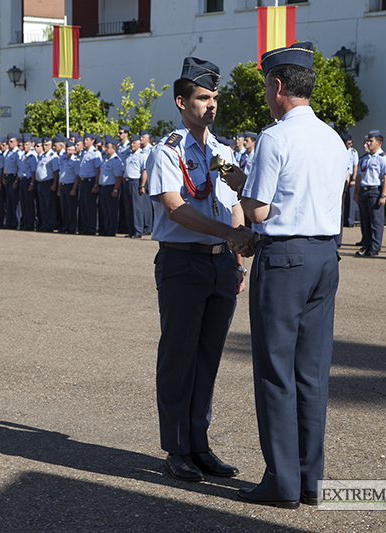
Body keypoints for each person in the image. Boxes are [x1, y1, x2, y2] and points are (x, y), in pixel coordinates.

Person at [228, 41, 344, 510]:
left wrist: (242, 184)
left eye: (265, 85)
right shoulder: (334, 137)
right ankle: (310, 479)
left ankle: (282, 482)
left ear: (278, 86)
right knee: (312, 374)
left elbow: (256, 210)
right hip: (325, 256)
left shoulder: (275, 137)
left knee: (276, 374)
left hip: (285, 259)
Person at [146, 56, 250, 484]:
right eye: (203, 97)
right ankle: (176, 449)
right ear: (181, 101)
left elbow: (241, 197)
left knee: (207, 359)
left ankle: (199, 444)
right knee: (179, 357)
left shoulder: (222, 151)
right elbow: (177, 209)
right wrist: (231, 233)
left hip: (221, 264)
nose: (211, 105)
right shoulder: (166, 150)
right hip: (183, 263)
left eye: (215, 98)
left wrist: (238, 257)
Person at [353, 130, 386, 257]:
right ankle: (365, 245)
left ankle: (374, 247)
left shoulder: (383, 158)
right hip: (364, 191)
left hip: (375, 191)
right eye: (367, 141)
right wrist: (356, 193)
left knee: (376, 221)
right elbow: (359, 177)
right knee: (365, 221)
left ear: (379, 143)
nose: (368, 143)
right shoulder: (364, 158)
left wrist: (383, 195)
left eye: (371, 141)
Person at [77, 133, 102, 235]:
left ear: (92, 141)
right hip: (83, 181)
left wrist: (96, 185)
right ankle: (85, 227)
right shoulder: (83, 153)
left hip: (90, 181)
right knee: (83, 206)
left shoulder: (95, 153)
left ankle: (92, 228)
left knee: (90, 206)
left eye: (87, 140)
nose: (85, 141)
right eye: (84, 139)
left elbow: (98, 170)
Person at [122, 134, 145, 238]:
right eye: (131, 143)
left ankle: (138, 230)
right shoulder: (129, 155)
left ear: (139, 144)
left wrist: (142, 185)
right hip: (127, 182)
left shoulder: (142, 155)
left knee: (136, 207)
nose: (132, 145)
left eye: (134, 143)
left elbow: (144, 171)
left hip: (135, 182)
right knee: (128, 207)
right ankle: (131, 229)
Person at [57, 140, 80, 234]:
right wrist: (59, 189)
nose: (68, 151)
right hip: (62, 186)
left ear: (74, 151)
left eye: (70, 150)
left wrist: (74, 188)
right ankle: (65, 226)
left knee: (72, 208)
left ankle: (72, 227)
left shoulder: (75, 161)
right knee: (64, 208)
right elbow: (60, 175)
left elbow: (77, 176)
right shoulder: (63, 160)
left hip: (70, 185)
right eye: (67, 149)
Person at [2, 134, 21, 229]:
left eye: (11, 141)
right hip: (7, 178)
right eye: (8, 141)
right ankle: (9, 221)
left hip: (14, 178)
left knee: (14, 202)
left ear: (16, 142)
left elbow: (19, 168)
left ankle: (15, 222)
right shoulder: (7, 153)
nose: (9, 143)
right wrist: (3, 178)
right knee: (8, 202)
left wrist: (16, 181)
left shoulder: (17, 153)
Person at [342, 133, 358, 228]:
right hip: (342, 177)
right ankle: (343, 220)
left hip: (351, 176)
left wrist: (354, 178)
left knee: (350, 200)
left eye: (351, 143)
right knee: (342, 200)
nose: (350, 145)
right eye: (348, 143)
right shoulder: (340, 150)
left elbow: (355, 165)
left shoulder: (353, 152)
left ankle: (350, 220)